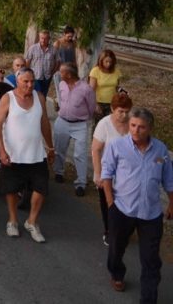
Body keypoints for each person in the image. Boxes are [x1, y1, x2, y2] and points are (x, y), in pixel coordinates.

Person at [101, 108, 172, 302]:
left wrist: (171, 203)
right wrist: (110, 204)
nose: (135, 130)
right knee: (116, 248)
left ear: (150, 128)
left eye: (141, 127)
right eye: (133, 125)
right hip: (122, 210)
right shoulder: (117, 146)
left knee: (151, 260)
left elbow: (169, 180)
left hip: (151, 214)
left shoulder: (160, 150)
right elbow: (106, 175)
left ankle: (148, 299)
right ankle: (116, 272)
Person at [0, 67, 55, 243]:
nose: (29, 85)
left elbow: (44, 123)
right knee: (11, 189)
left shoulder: (39, 97)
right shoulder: (8, 98)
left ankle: (32, 221)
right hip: (14, 154)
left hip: (36, 153)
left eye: (32, 81)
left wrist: (50, 148)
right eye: (25, 81)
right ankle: (13, 220)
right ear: (17, 81)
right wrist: (2, 150)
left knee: (41, 188)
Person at [90, 93, 132, 246]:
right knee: (108, 204)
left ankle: (124, 229)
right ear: (113, 109)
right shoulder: (104, 124)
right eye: (121, 111)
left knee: (127, 204)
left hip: (127, 174)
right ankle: (109, 231)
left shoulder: (132, 124)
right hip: (108, 173)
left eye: (127, 111)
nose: (124, 115)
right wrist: (98, 173)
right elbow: (95, 150)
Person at [53, 62, 96, 196]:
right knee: (60, 149)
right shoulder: (61, 84)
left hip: (80, 125)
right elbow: (60, 99)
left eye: (62, 72)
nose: (60, 74)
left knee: (80, 154)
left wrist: (83, 118)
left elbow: (91, 107)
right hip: (62, 122)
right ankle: (58, 172)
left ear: (69, 75)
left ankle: (81, 183)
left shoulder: (86, 89)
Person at [89, 49, 122, 122]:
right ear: (101, 61)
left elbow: (117, 87)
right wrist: (95, 104)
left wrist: (122, 92)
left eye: (110, 62)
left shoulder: (117, 71)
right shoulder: (95, 71)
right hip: (99, 103)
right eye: (106, 62)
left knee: (110, 124)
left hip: (112, 103)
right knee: (98, 126)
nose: (108, 64)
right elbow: (91, 90)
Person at [25, 30, 58, 95]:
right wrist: (28, 73)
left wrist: (53, 72)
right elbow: (27, 61)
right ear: (39, 38)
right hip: (35, 76)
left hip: (47, 77)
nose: (43, 40)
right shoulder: (33, 48)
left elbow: (58, 61)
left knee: (44, 94)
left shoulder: (53, 49)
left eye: (45, 39)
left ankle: (42, 104)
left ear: (49, 39)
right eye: (42, 38)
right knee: (35, 94)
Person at [52, 26, 77, 103]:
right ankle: (60, 104)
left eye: (71, 36)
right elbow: (53, 57)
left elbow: (74, 57)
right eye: (68, 36)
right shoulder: (58, 43)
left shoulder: (73, 44)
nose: (70, 38)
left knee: (69, 89)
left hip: (70, 70)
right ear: (64, 34)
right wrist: (54, 69)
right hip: (60, 70)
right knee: (60, 89)